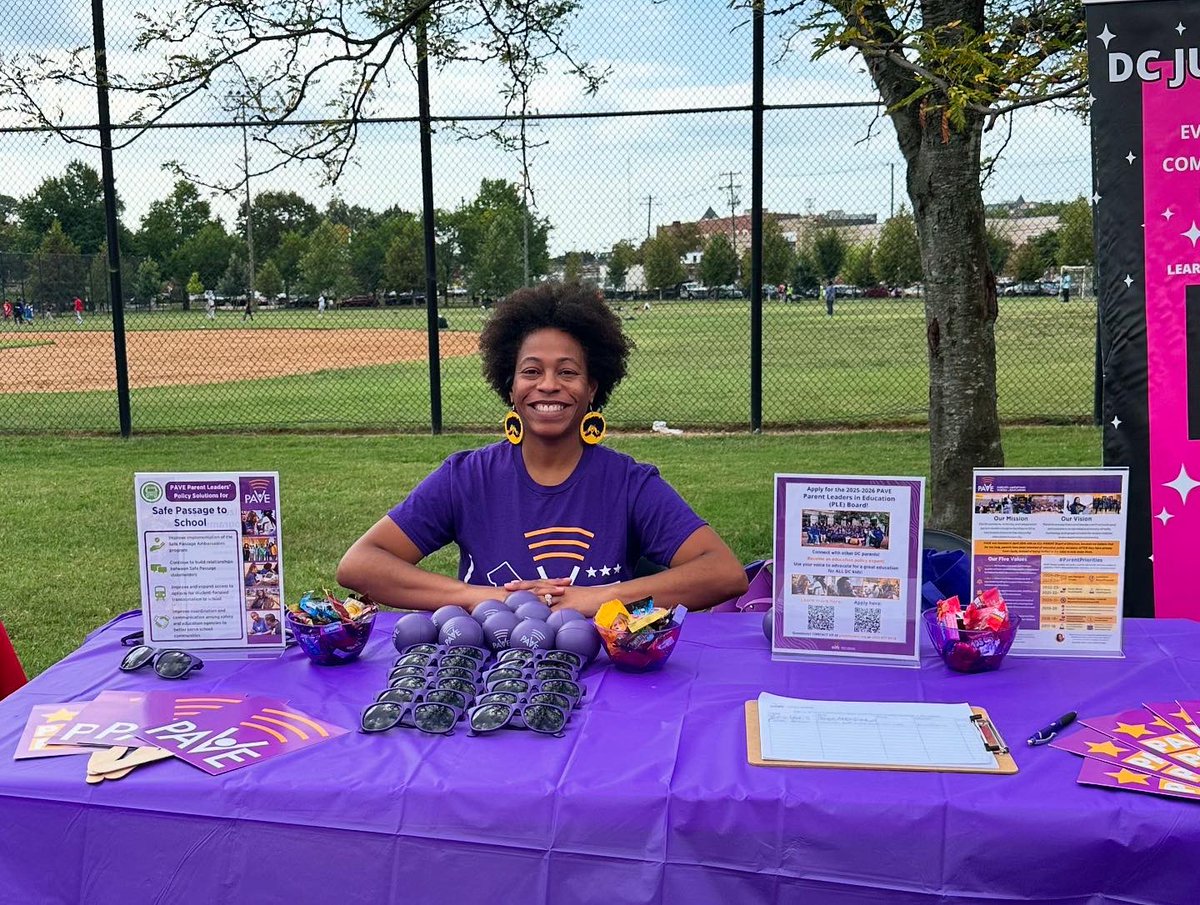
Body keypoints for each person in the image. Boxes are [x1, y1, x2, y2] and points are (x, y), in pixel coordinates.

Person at [337, 282, 747, 615]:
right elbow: (360, 564)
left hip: (607, 681)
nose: (548, 384)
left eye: (567, 372)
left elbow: (723, 573)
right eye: (531, 371)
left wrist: (597, 598)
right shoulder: (467, 477)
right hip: (485, 682)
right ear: (510, 387)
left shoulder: (628, 482)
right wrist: (484, 597)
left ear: (592, 389)